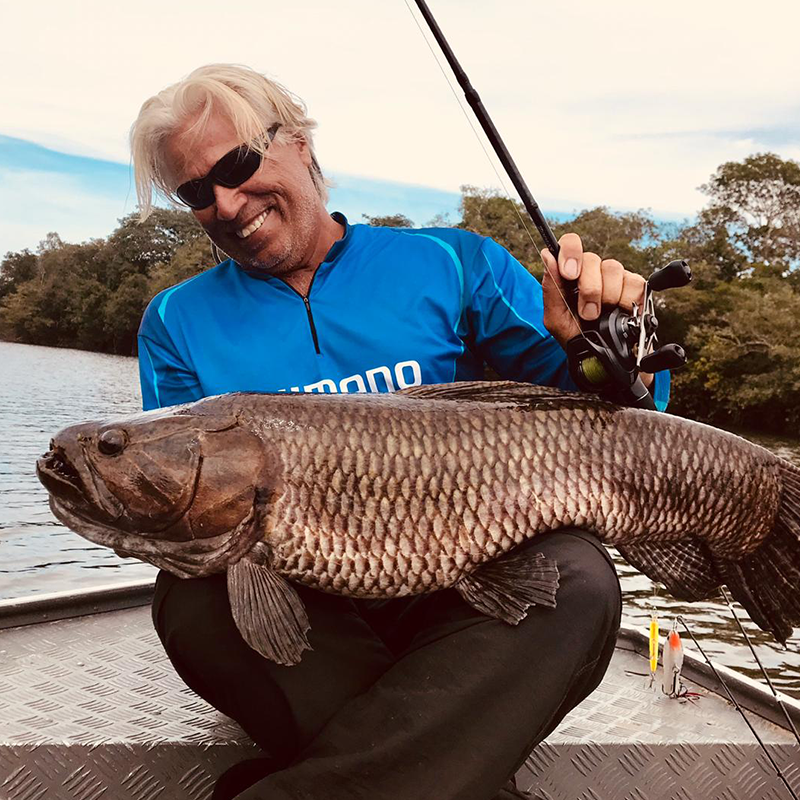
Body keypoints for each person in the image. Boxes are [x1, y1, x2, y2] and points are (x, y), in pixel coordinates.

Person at [130, 64, 669, 800]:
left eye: (237, 165)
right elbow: (184, 505)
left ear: (299, 143)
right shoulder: (174, 320)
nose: (225, 203)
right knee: (194, 596)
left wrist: (614, 348)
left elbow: (613, 421)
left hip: (467, 592)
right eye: (196, 192)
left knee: (577, 578)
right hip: (302, 609)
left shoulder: (454, 262)